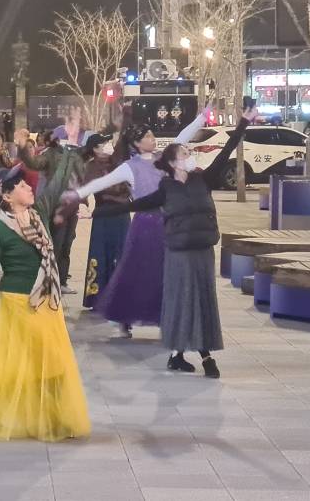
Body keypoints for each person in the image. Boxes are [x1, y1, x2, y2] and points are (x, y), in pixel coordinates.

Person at [91, 109, 256, 377]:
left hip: (203, 252)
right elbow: (134, 205)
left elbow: (227, 150)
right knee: (183, 301)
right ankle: (204, 356)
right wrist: (96, 212)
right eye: (185, 155)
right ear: (173, 164)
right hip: (179, 254)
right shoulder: (166, 189)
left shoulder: (204, 179)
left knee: (203, 302)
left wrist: (244, 124)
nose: (190, 157)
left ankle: (178, 355)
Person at [0, 166, 91, 441]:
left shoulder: (37, 218)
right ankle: (30, 414)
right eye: (22, 187)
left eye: (27, 186)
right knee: (37, 358)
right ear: (8, 196)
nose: (29, 189)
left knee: (47, 357)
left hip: (47, 298)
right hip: (18, 301)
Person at [58, 107, 210, 337]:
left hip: (168, 223)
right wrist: (78, 195)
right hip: (144, 225)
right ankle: (123, 317)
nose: (153, 139)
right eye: (148, 136)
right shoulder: (130, 167)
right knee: (134, 273)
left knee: (164, 274)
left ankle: (164, 317)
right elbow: (102, 182)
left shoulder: (163, 159)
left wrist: (201, 117)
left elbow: (182, 138)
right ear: (137, 143)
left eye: (152, 135)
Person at [15, 129, 85, 294]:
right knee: (56, 244)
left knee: (67, 245)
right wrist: (22, 144)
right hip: (56, 207)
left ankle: (61, 281)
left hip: (72, 207)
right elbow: (33, 163)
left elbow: (80, 178)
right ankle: (48, 280)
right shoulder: (50, 154)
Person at [78, 134, 131, 312]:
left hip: (122, 214)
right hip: (104, 214)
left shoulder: (117, 161)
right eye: (104, 144)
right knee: (101, 255)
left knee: (122, 253)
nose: (108, 146)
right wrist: (82, 205)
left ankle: (122, 296)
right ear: (95, 149)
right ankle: (98, 297)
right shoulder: (90, 167)